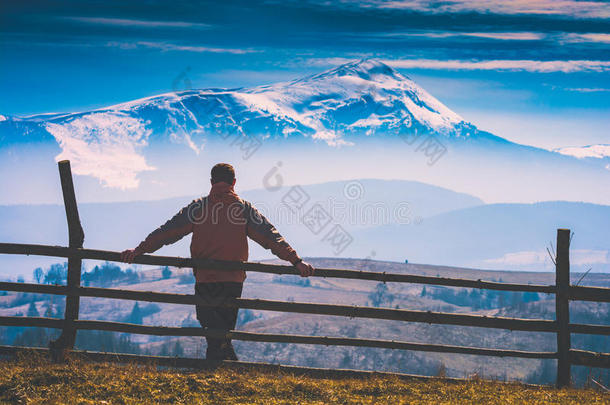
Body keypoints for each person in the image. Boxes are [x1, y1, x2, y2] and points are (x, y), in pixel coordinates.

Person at [121, 163, 314, 361]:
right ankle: (227, 371)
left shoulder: (198, 208)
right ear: (234, 182)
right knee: (223, 331)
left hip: (205, 279)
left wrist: (139, 250)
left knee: (213, 331)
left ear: (212, 181)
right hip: (233, 280)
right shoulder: (243, 209)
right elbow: (270, 237)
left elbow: (168, 232)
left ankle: (219, 372)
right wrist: (296, 260)